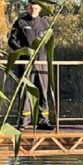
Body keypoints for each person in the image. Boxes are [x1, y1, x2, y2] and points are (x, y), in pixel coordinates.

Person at [8, 0, 53, 131]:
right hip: (26, 64)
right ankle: (23, 122)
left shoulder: (45, 23)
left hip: (42, 64)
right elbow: (12, 41)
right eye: (31, 7)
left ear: (40, 8)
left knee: (43, 92)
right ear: (28, 7)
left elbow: (50, 43)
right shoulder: (20, 22)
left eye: (36, 7)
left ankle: (43, 120)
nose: (33, 9)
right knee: (25, 93)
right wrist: (23, 51)